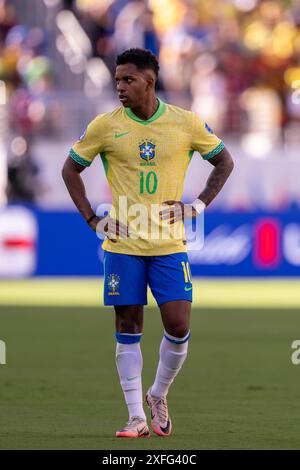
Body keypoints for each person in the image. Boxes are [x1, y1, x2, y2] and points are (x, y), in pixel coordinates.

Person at [62, 48, 234, 438]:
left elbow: (224, 161)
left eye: (128, 80)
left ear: (149, 82)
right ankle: (135, 416)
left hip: (170, 244)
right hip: (123, 246)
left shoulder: (185, 123)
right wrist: (93, 219)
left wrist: (197, 206)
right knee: (128, 324)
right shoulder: (104, 126)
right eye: (117, 80)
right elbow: (70, 169)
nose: (119, 87)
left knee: (178, 325)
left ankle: (158, 394)